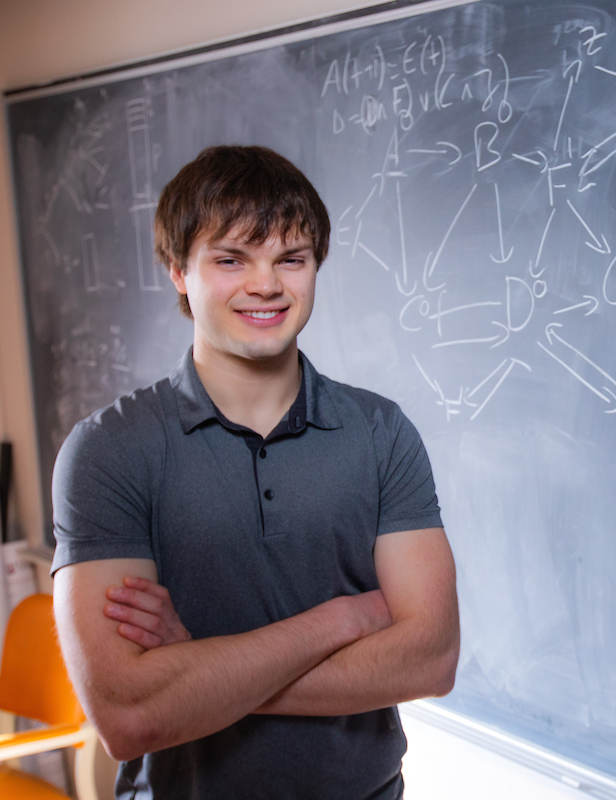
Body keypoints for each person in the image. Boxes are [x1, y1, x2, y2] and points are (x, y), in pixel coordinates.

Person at [51, 145, 459, 799]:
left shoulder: (382, 434)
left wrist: (196, 666)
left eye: (290, 259)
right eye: (231, 259)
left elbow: (432, 659)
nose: (266, 284)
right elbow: (129, 716)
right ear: (179, 271)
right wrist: (344, 620)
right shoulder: (108, 450)